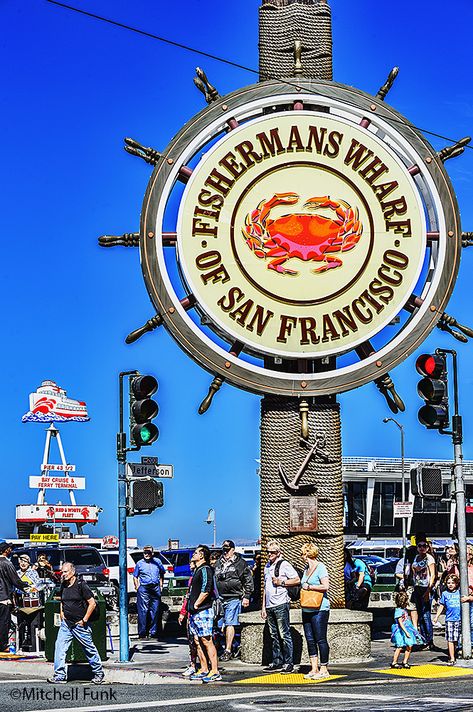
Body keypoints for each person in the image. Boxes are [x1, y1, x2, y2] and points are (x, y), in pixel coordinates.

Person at [48, 562, 104, 684]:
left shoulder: (81, 585)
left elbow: (92, 603)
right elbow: (62, 601)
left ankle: (98, 672)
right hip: (66, 624)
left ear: (72, 572)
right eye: (62, 572)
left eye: (65, 572)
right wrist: (62, 613)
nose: (63, 574)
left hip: (80, 624)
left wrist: (84, 620)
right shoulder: (63, 585)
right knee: (60, 647)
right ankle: (59, 675)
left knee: (89, 648)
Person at [261, 539, 300, 674]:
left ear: (278, 553)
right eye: (268, 552)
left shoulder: (284, 565)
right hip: (269, 605)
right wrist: (263, 607)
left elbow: (296, 579)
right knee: (273, 635)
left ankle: (289, 662)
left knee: (284, 634)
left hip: (281, 603)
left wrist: (281, 582)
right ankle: (277, 661)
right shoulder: (267, 566)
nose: (269, 555)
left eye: (272, 552)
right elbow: (265, 587)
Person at [214, 539, 253, 662]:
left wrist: (246, 596)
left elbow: (248, 580)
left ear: (233, 550)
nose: (225, 552)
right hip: (220, 598)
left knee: (230, 623)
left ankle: (228, 650)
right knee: (221, 626)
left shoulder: (240, 563)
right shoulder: (218, 563)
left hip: (234, 597)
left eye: (227, 550)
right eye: (223, 550)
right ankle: (235, 645)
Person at [187, 545, 221, 683]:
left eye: (195, 553)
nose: (193, 555)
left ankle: (215, 670)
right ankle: (204, 668)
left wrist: (197, 604)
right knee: (197, 640)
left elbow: (206, 588)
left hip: (203, 610)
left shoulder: (206, 569)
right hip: (195, 612)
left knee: (207, 640)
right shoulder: (197, 570)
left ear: (202, 555)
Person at [300, 542, 330, 680]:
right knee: (310, 639)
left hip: (320, 608)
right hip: (306, 608)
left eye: (302, 553)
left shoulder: (321, 567)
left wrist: (310, 587)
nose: (301, 556)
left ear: (307, 554)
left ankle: (324, 668)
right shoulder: (306, 569)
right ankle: (314, 668)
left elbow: (325, 586)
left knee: (320, 638)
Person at [0, 543, 29, 651]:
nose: (11, 550)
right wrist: (26, 587)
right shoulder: (6, 563)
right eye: (9, 548)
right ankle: (2, 646)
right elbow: (15, 580)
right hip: (3, 598)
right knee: (3, 622)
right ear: (6, 550)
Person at [133, 545, 165, 639]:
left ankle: (153, 632)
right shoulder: (139, 563)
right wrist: (137, 586)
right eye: (145, 553)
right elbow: (135, 576)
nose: (146, 554)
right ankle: (142, 632)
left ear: (152, 553)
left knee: (155, 610)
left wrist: (161, 585)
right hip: (144, 588)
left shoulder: (157, 562)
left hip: (155, 587)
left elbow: (162, 573)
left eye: (148, 553)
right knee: (143, 610)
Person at [411, 538, 436, 648]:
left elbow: (433, 574)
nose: (422, 548)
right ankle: (423, 639)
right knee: (420, 615)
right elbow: (413, 571)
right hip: (417, 586)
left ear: (427, 547)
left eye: (424, 546)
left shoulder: (429, 558)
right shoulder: (416, 558)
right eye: (419, 546)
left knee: (426, 615)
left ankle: (429, 640)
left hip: (426, 587)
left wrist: (428, 590)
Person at [390, 590, 422, 669]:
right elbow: (400, 623)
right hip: (401, 630)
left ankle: (405, 661)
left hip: (407, 628)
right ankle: (394, 662)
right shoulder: (398, 611)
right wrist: (406, 632)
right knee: (400, 646)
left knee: (409, 645)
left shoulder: (403, 610)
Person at [434, 574, 461, 665]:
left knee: (456, 639)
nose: (450, 585)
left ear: (457, 584)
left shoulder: (460, 592)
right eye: (448, 583)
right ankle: (452, 658)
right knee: (450, 639)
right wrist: (437, 616)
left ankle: (455, 652)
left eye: (452, 583)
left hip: (459, 619)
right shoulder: (445, 594)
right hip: (449, 619)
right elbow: (441, 606)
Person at [178, 560, 199, 678]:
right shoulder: (191, 579)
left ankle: (202, 666)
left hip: (199, 613)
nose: (190, 564)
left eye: (192, 562)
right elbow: (187, 597)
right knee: (191, 642)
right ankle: (192, 664)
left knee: (199, 642)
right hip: (190, 614)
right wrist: (183, 612)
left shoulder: (201, 575)